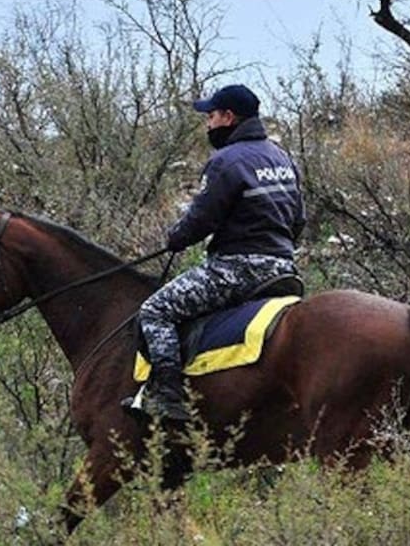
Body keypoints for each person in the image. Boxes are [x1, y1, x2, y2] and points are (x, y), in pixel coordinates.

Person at [123, 84, 306, 421]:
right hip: (284, 270)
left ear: (228, 117)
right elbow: (299, 220)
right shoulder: (282, 157)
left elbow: (201, 219)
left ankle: (167, 397)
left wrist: (175, 238)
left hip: (237, 270)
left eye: (210, 116)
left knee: (155, 311)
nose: (207, 123)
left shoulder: (225, 161)